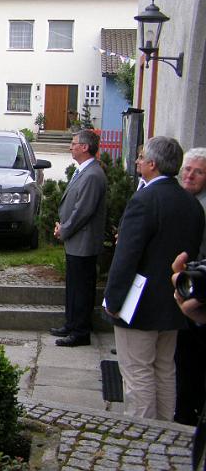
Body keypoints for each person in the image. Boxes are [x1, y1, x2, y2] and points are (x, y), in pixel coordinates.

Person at [103, 136, 204, 420]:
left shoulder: (145, 199)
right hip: (173, 300)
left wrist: (113, 299)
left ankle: (142, 434)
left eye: (141, 156)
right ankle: (165, 433)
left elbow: (126, 257)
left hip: (139, 304)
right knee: (164, 369)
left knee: (137, 372)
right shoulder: (191, 204)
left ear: (153, 164)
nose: (137, 160)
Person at [51, 130, 108, 347]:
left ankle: (80, 331)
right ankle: (71, 323)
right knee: (74, 286)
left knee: (82, 288)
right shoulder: (85, 171)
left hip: (83, 242)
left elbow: (82, 211)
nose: (70, 147)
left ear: (85, 147)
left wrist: (64, 229)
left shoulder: (92, 174)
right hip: (76, 241)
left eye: (73, 143)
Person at [174, 147, 206, 425]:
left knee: (193, 358)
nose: (191, 175)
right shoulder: (180, 200)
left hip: (201, 294)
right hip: (181, 287)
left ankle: (189, 412)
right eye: (187, 169)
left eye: (198, 171)